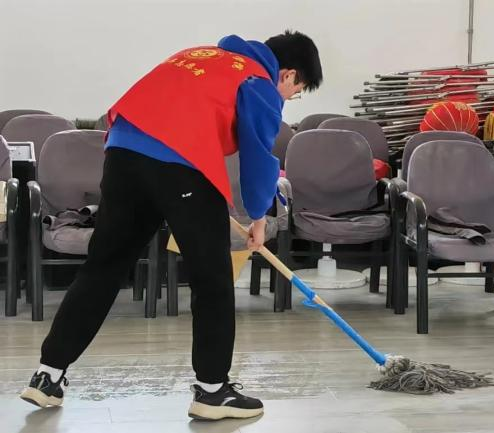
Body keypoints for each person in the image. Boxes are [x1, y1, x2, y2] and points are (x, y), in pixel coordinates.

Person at [20, 30, 323, 421]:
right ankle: (213, 392)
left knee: (103, 267)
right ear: (289, 74)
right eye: (296, 92)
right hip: (181, 165)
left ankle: (48, 375)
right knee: (211, 277)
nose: (289, 97)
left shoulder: (199, 55)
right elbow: (258, 155)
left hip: (122, 155)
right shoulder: (258, 80)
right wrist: (260, 216)